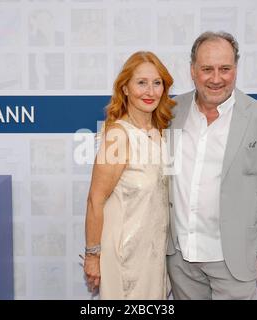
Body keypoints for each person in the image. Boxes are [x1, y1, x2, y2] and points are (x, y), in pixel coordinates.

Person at [166, 31, 257, 300]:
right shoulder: (171, 112)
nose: (216, 78)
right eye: (207, 69)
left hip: (233, 259)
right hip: (181, 257)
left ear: (236, 69)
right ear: (193, 71)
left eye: (225, 69)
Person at [83, 51, 176, 299]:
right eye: (141, 83)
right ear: (125, 87)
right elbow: (95, 200)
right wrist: (93, 255)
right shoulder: (117, 136)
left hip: (154, 256)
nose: (150, 91)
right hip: (124, 256)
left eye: (157, 83)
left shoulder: (160, 133)